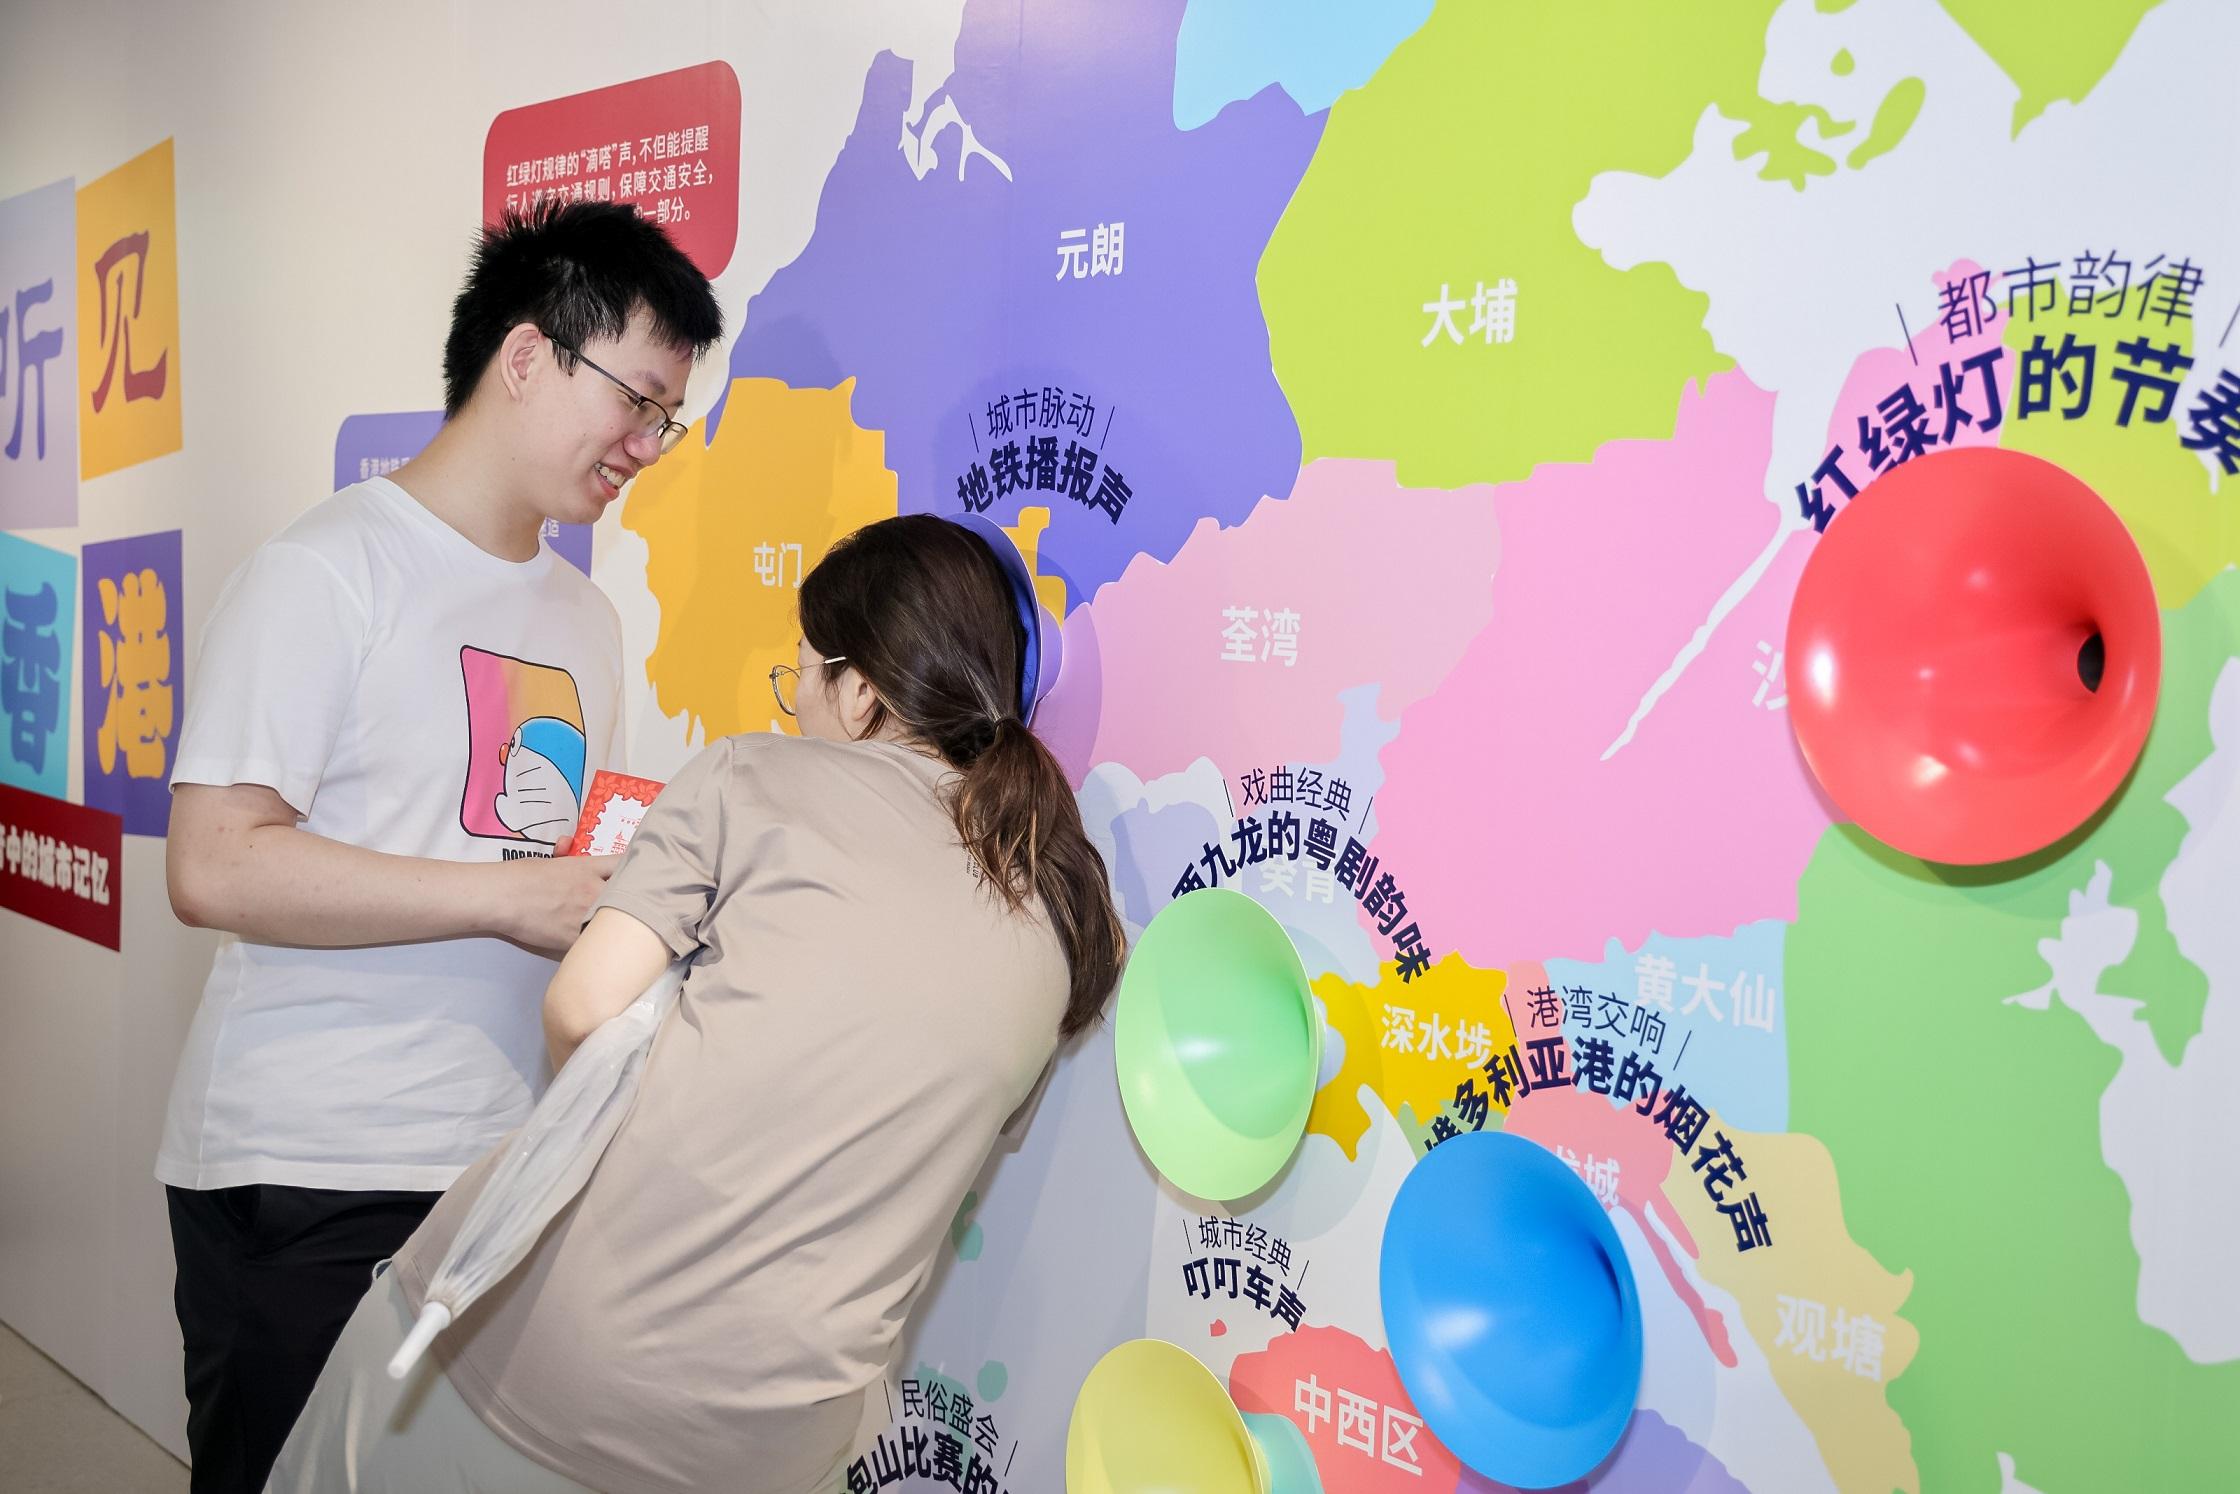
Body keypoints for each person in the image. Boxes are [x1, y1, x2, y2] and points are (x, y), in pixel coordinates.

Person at [266, 514, 1128, 1494]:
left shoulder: (749, 776)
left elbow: (582, 1008)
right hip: (765, 1445)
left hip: (530, 1352)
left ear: (857, 690)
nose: (793, 702)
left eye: (800, 672)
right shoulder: (1059, 915)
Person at [158, 199, 723, 1493]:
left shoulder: (586, 615)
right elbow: (216, 862)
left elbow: (558, 873)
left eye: (666, 417)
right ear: (526, 358)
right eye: (636, 399)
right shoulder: (328, 570)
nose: (645, 443)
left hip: (493, 1169)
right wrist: (506, 898)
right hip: (308, 1162)